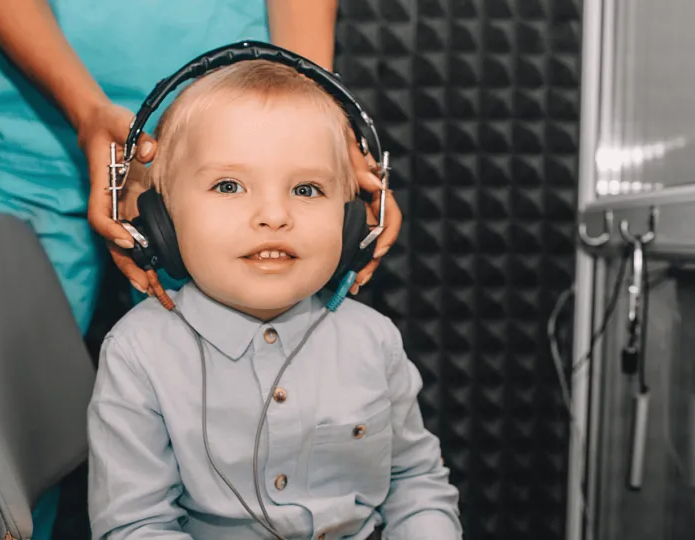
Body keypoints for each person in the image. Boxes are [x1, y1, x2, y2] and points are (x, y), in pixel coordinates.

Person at [0, 2, 403, 539]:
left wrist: (316, 128)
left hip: (235, 130)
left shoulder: (374, 343)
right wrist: (86, 110)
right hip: (22, 135)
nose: (279, 215)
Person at [87, 59, 462, 540]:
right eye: (228, 185)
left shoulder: (374, 342)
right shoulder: (138, 355)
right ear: (160, 220)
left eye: (307, 189)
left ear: (352, 224)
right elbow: (135, 526)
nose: (273, 214)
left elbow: (415, 483)